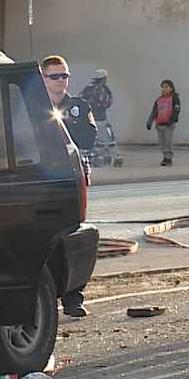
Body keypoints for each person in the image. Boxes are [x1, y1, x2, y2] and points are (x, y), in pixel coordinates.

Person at [41, 54, 94, 317]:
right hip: (43, 178)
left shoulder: (79, 107)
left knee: (74, 235)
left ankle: (74, 298)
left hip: (72, 177)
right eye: (55, 76)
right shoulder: (33, 107)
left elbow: (89, 136)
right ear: (43, 78)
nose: (61, 81)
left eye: (65, 75)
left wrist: (68, 127)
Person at [80, 69, 122, 167]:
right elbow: (106, 101)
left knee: (100, 138)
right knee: (104, 138)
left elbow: (81, 99)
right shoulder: (100, 89)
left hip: (95, 116)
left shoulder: (90, 88)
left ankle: (102, 156)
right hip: (98, 116)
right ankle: (103, 157)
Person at [145, 80, 181, 166]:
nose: (164, 89)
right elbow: (154, 112)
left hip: (169, 125)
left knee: (168, 141)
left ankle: (169, 158)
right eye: (163, 87)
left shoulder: (175, 98)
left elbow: (176, 110)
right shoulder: (159, 100)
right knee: (162, 143)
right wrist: (149, 122)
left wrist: (171, 120)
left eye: (166, 87)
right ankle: (165, 156)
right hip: (159, 124)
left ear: (171, 88)